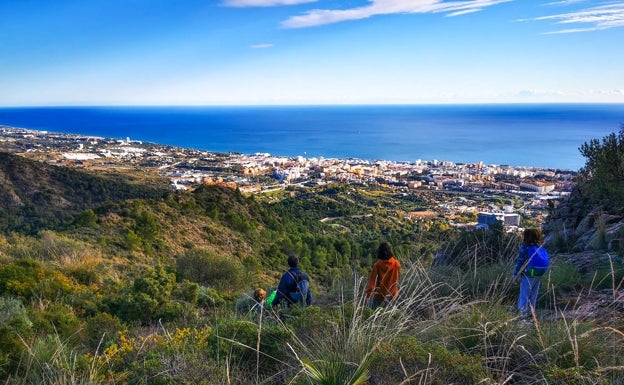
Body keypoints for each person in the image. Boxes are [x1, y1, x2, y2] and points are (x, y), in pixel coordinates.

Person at [513, 228, 550, 319]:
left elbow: (520, 262)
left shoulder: (525, 247)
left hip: (528, 274)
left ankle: (522, 315)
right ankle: (531, 312)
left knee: (524, 294)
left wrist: (515, 275)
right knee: (533, 294)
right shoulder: (539, 247)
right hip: (538, 273)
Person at [366, 242, 401, 309]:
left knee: (373, 314)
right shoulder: (396, 263)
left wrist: (368, 295)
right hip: (392, 294)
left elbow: (372, 283)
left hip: (379, 295)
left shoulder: (377, 265)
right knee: (389, 316)